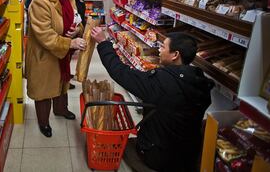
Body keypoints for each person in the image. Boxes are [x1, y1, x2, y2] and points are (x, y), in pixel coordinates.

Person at [90, 29, 214, 172]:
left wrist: (104, 43)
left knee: (127, 146)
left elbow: (119, 72)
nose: (159, 50)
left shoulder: (161, 82)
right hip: (187, 158)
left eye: (163, 47)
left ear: (175, 55)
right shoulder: (200, 81)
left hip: (158, 157)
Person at [25, 0, 86, 138]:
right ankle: (43, 123)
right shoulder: (40, 2)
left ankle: (61, 110)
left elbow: (77, 19)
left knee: (62, 85)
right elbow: (46, 36)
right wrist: (70, 43)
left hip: (61, 54)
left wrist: (78, 30)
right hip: (44, 57)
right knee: (44, 91)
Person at [69, 0, 90, 90]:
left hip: (77, 31)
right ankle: (64, 80)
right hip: (69, 32)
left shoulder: (81, 1)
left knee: (70, 55)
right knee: (65, 56)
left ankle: (66, 74)